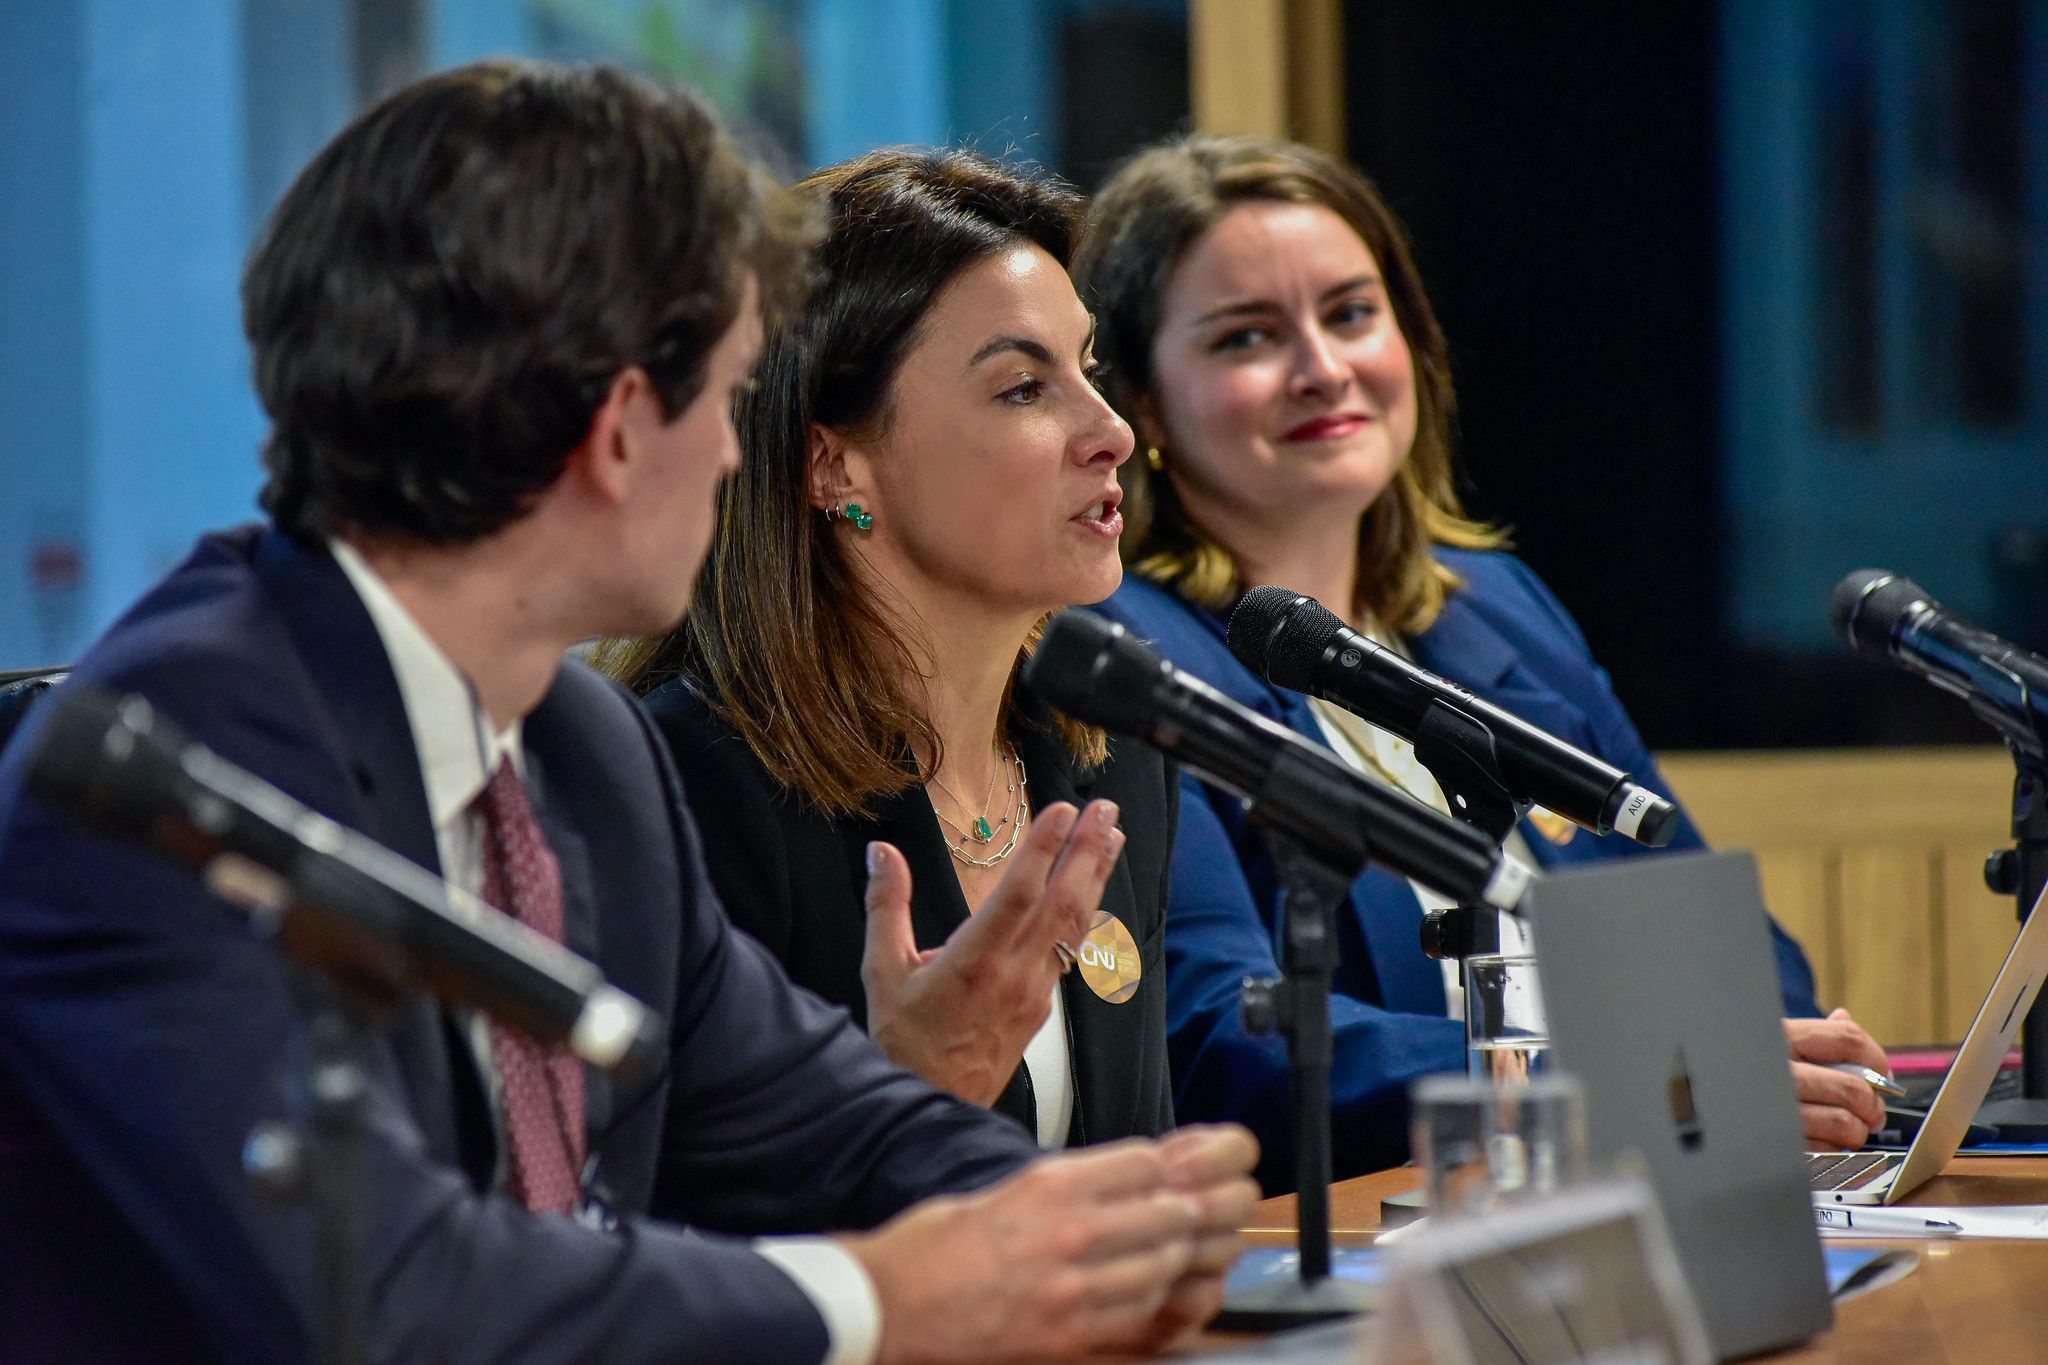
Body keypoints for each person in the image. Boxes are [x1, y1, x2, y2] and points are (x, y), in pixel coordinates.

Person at [0, 64, 1256, 1364]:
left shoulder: (580, 751)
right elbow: (391, 1293)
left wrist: (1107, 1227)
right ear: (616, 431)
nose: (734, 453)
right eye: (724, 396)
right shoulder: (179, 758)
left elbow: (814, 1112)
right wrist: (876, 1300)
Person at [1073, 133, 1889, 1192]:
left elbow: (1722, 938)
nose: (1322, 367)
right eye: (1245, 338)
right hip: (1376, 1223)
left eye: (1350, 314)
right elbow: (1217, 1041)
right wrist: (1594, 1070)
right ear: (1139, 406)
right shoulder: (1128, 661)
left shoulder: (1492, 603)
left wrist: (1760, 1055)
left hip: (1620, 1182)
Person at [599, 149, 1173, 1149]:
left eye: (1086, 370)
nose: (1110, 431)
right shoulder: (689, 791)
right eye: (1022, 390)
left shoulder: (1112, 754)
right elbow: (689, 1225)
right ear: (833, 463)